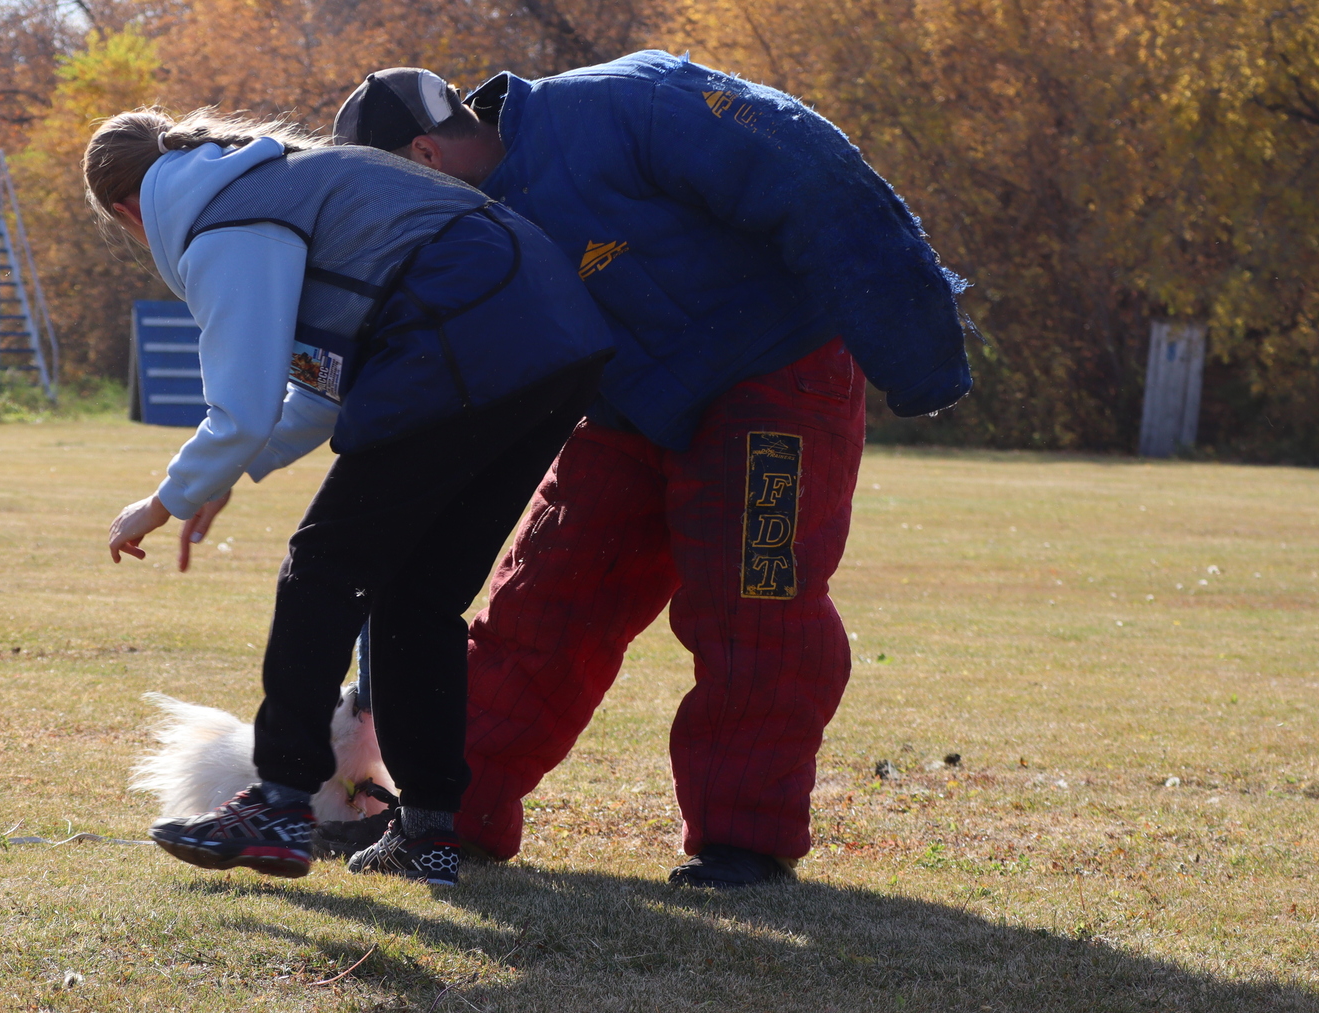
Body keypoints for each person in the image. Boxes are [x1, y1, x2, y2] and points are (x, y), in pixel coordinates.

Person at [333, 57, 973, 886]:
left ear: (424, 157)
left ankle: (745, 840)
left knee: (752, 603)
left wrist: (915, 339)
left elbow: (801, 164)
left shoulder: (620, 104)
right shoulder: (475, 226)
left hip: (772, 369)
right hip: (631, 403)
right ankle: (451, 816)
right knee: (544, 599)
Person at [89, 105, 610, 887]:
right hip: (554, 341)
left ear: (129, 211)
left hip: (466, 332)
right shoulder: (272, 180)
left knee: (325, 566)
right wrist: (225, 470)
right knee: (417, 594)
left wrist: (163, 500)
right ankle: (431, 828)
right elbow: (320, 396)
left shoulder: (218, 217)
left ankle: (279, 802)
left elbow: (242, 404)